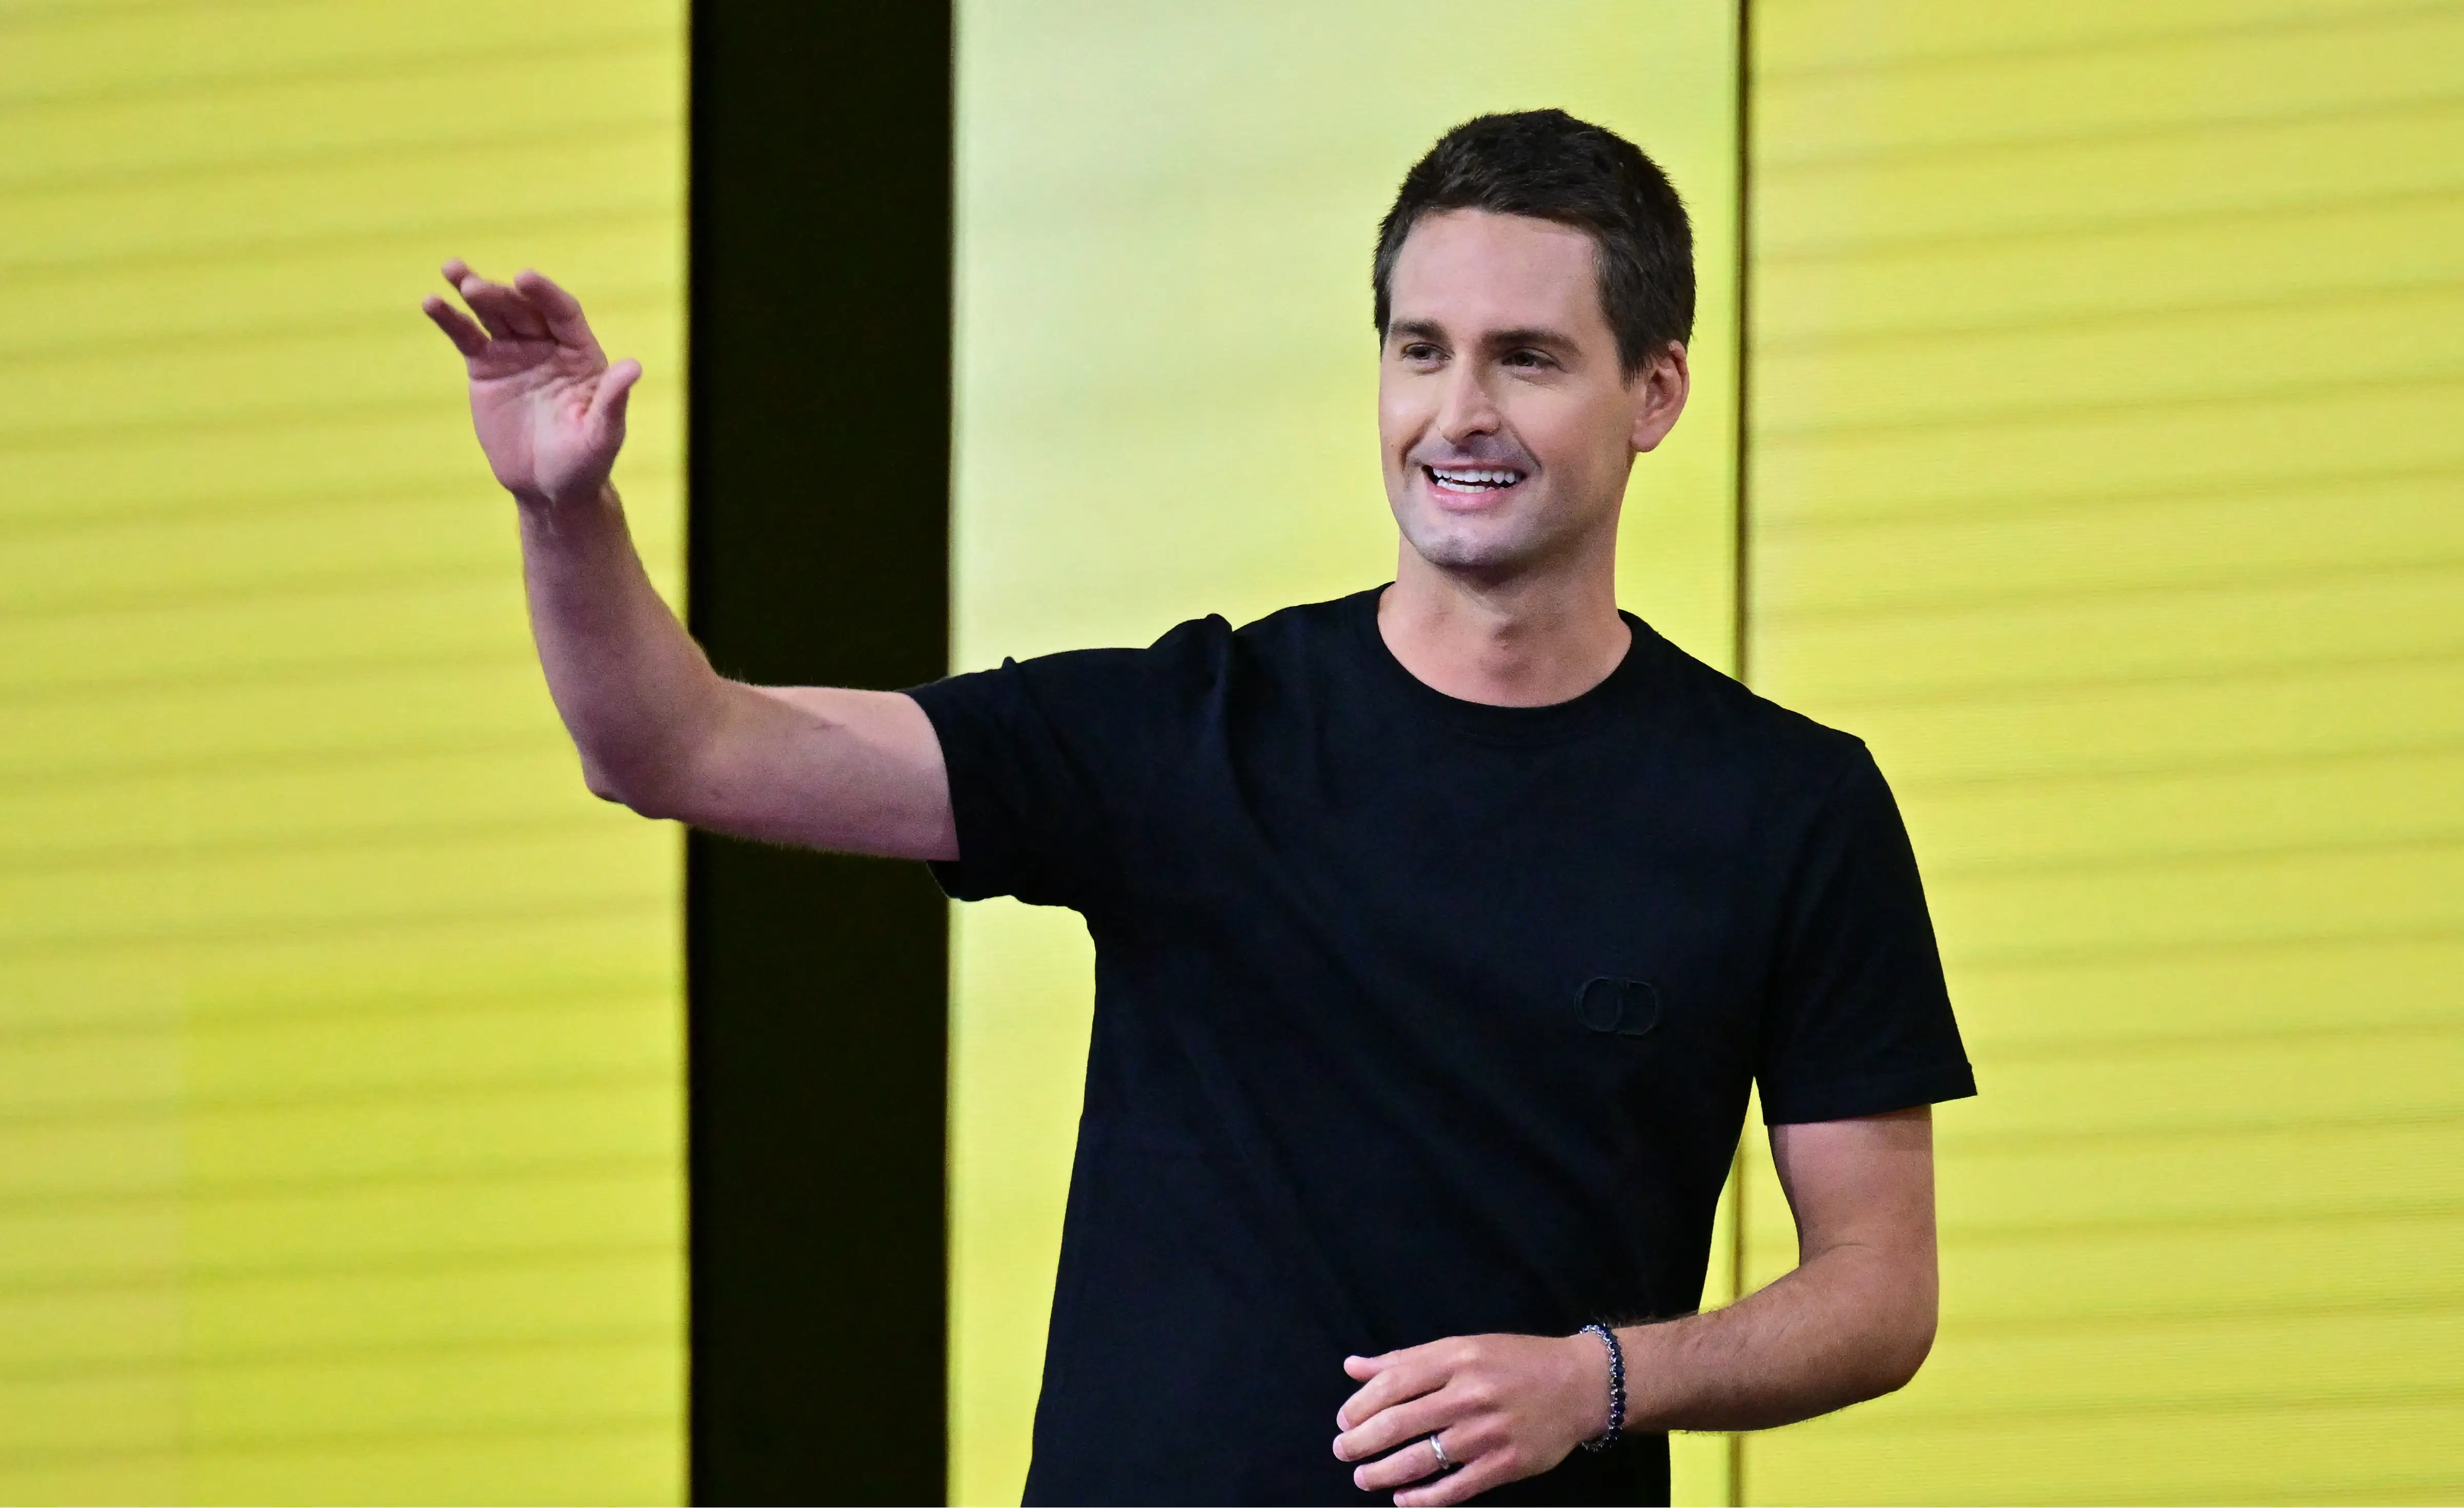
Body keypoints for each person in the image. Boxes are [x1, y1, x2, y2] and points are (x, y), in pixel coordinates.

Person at [424, 109, 1974, 1507]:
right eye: (1419, 349)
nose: (1458, 411)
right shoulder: (1186, 730)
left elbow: (1877, 1291)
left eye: (1528, 356)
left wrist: (1597, 1382)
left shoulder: (1787, 805)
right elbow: (680, 750)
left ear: (1656, 391)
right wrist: (566, 512)